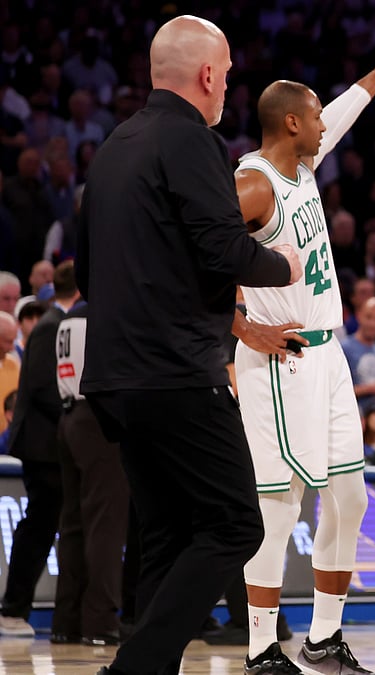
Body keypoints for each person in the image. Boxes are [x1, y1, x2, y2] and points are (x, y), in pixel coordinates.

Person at [76, 15, 303, 675]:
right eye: (227, 73)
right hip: (176, 372)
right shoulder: (192, 140)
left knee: (169, 537)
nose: (228, 85)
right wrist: (284, 264)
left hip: (115, 377)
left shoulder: (115, 143)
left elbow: (88, 266)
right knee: (236, 522)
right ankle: (136, 667)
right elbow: (221, 248)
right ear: (208, 74)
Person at [230, 35, 375, 675]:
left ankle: (322, 640)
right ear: (291, 122)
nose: (323, 125)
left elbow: (338, 117)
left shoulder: (304, 169)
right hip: (279, 359)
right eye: (313, 116)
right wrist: (240, 327)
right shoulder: (252, 185)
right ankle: (261, 650)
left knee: (350, 499)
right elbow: (192, 253)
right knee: (278, 505)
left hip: (328, 356)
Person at [0, 261, 78, 638]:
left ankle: (17, 607)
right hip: (41, 446)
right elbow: (47, 389)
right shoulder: (51, 327)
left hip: (50, 445)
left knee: (44, 527)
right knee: (37, 529)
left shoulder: (53, 325)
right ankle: (13, 608)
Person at [52, 289, 131, 646]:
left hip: (68, 416)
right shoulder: (104, 310)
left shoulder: (69, 316)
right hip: (98, 416)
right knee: (106, 524)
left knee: (72, 524)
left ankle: (66, 620)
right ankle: (99, 622)